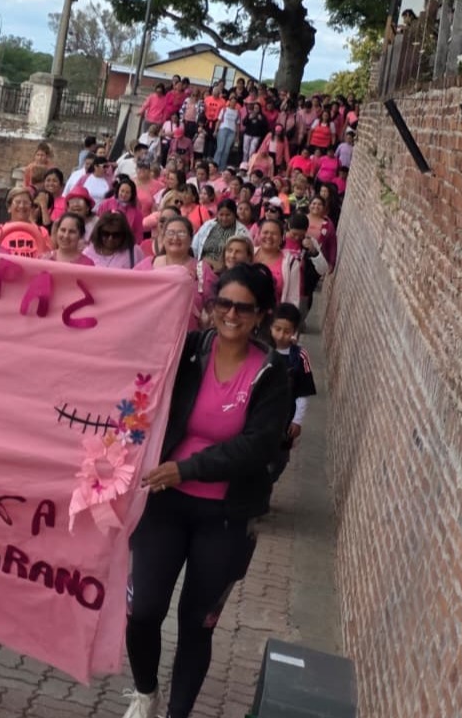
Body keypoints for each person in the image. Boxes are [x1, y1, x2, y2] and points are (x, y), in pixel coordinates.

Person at [124, 262, 290, 718]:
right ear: (211, 306)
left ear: (261, 315)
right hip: (165, 505)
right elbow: (136, 372)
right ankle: (144, 692)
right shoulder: (188, 351)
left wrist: (187, 468)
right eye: (223, 304)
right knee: (143, 612)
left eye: (243, 308)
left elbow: (256, 447)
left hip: (226, 517)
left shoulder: (272, 374)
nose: (231, 315)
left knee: (197, 625)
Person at [265, 302, 317, 509]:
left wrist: (297, 420)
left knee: (277, 461)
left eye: (287, 331)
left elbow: (303, 392)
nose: (281, 335)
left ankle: (264, 489)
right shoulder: (262, 349)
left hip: (284, 419)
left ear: (295, 332)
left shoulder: (300, 357)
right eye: (277, 329)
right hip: (258, 416)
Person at [134, 216, 216, 331]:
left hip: (188, 339)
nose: (175, 237)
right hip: (149, 335)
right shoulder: (146, 266)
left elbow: (213, 305)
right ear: (163, 237)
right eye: (170, 233)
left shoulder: (202, 270)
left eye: (181, 233)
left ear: (191, 239)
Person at [192, 198, 250, 271]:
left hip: (227, 272)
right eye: (221, 215)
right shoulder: (208, 225)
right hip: (201, 269)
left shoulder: (242, 232)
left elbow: (246, 255)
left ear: (235, 214)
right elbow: (195, 246)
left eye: (228, 215)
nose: (224, 218)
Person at [96, 177, 143, 243]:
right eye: (122, 191)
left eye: (127, 192)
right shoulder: (106, 204)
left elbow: (138, 234)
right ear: (118, 190)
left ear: (132, 194)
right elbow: (98, 223)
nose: (124, 195)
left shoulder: (137, 213)